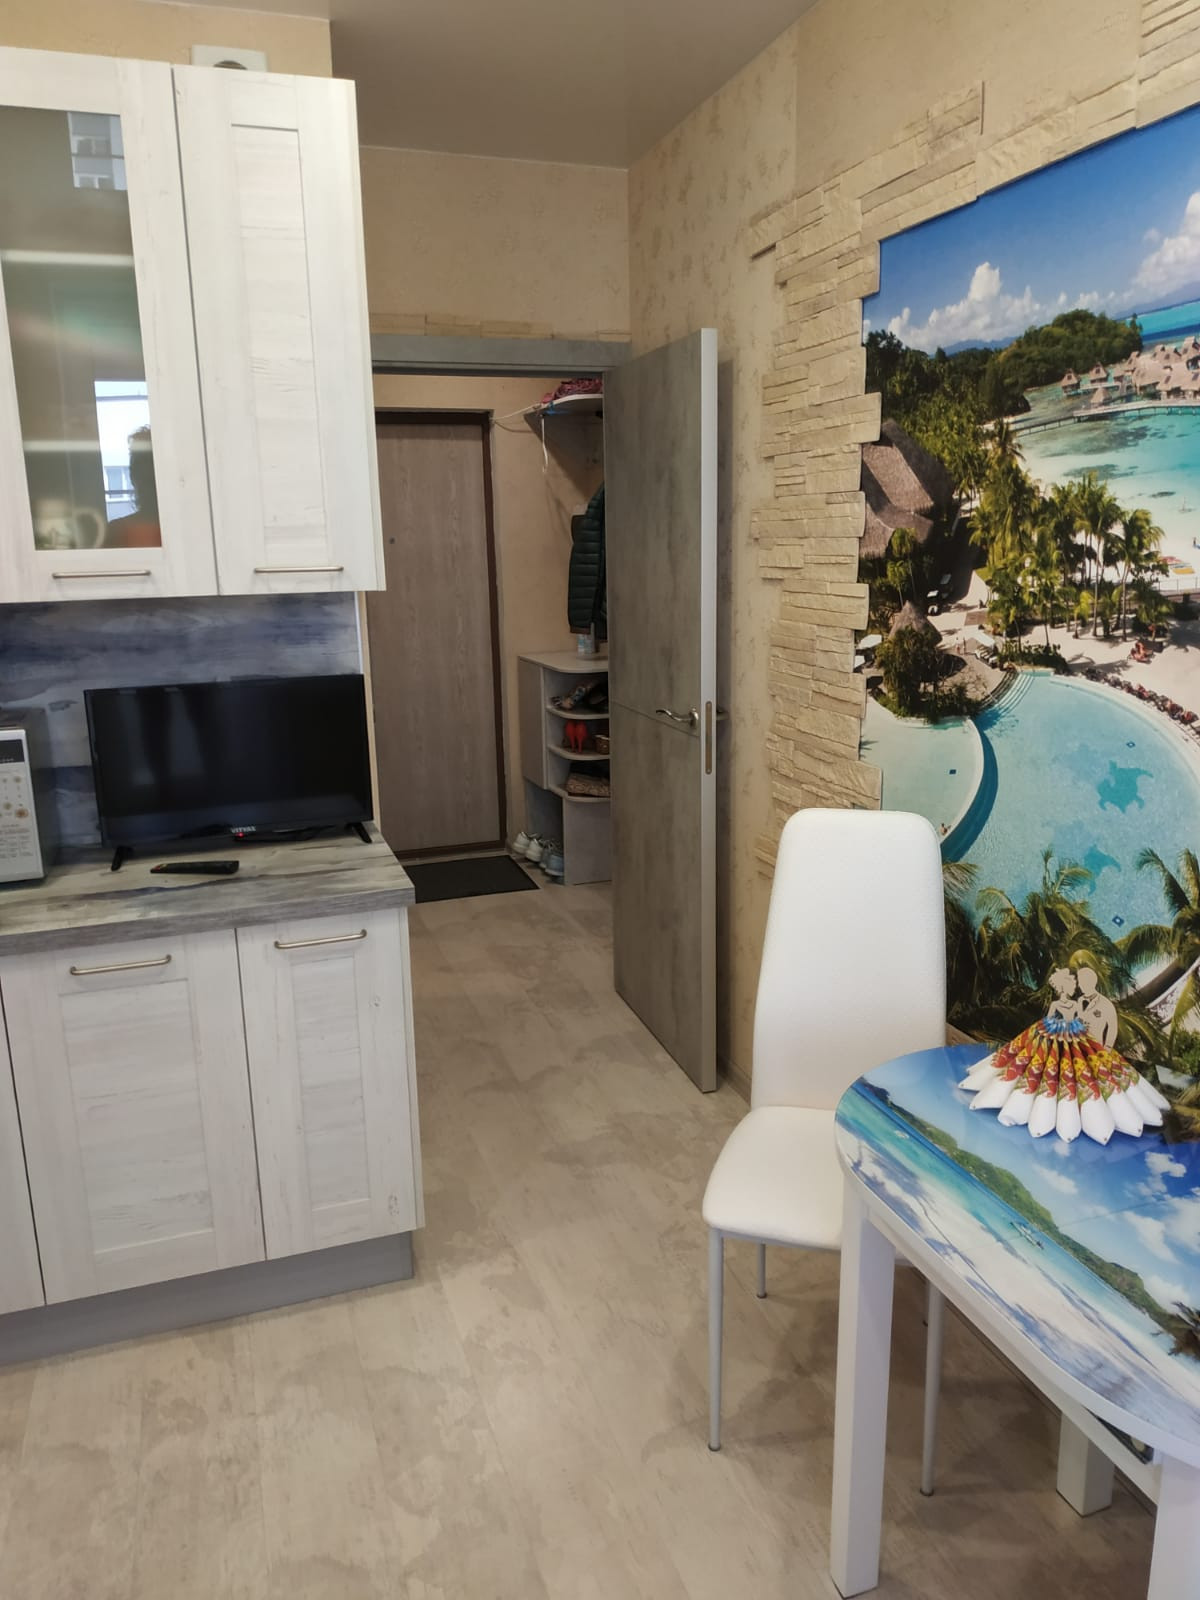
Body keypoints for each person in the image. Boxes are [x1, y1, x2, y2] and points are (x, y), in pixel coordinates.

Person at [104, 426, 160, 548]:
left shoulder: (189, 527)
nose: (147, 473)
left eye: (150, 463)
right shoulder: (117, 532)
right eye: (140, 465)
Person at [1076, 967, 1118, 1048]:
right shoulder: (1079, 1001)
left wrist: (1108, 1047)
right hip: (1079, 1047)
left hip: (1096, 1048)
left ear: (1090, 982)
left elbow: (1113, 1027)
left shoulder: (1105, 1003)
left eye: (1081, 982)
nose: (1079, 985)